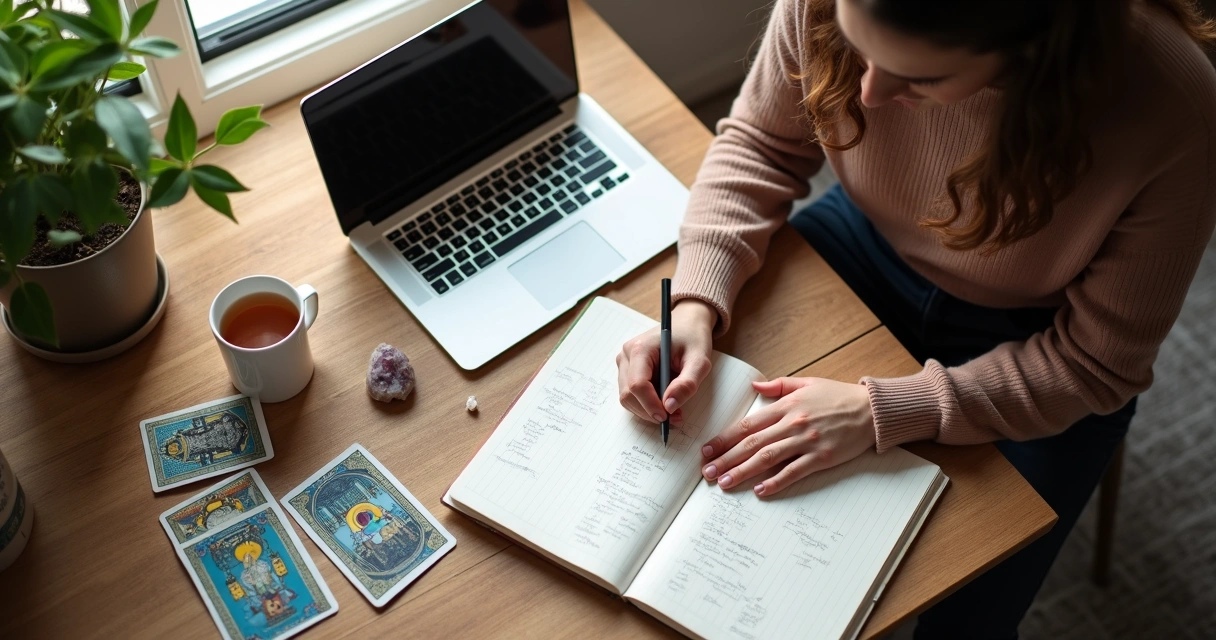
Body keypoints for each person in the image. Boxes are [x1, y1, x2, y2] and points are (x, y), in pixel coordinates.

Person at [614, 0, 1216, 636]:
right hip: (863, 241)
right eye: (857, 46)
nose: (869, 92)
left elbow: (1096, 365)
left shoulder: (1175, 109)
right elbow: (763, 144)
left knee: (968, 619)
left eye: (920, 78)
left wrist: (882, 412)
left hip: (1045, 342)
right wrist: (695, 299)